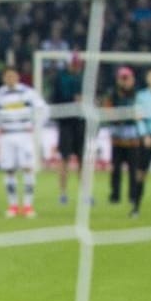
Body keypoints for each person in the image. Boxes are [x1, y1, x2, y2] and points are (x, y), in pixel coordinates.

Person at [0, 65, 48, 217]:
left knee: (27, 168)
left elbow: (43, 110)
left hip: (24, 135)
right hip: (6, 136)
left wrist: (36, 126)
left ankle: (28, 206)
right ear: (4, 78)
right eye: (7, 76)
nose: (10, 78)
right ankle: (13, 206)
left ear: (17, 77)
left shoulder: (28, 93)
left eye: (13, 75)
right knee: (9, 170)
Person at [47, 55, 88, 205]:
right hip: (65, 123)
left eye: (78, 64)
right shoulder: (60, 79)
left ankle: (85, 194)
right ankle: (63, 193)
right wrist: (72, 99)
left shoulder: (84, 78)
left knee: (83, 159)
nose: (76, 66)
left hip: (80, 122)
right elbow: (55, 100)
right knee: (64, 159)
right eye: (74, 64)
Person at [104, 66, 145, 215]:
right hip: (117, 139)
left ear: (132, 79)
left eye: (127, 78)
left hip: (133, 139)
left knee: (134, 169)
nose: (124, 81)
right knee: (115, 169)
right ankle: (115, 195)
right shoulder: (112, 94)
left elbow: (140, 114)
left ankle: (133, 196)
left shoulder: (138, 95)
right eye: (122, 78)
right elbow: (108, 113)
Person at [139, 68, 151, 219]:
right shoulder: (141, 96)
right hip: (147, 137)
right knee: (141, 172)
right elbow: (138, 117)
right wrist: (145, 134)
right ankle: (136, 206)